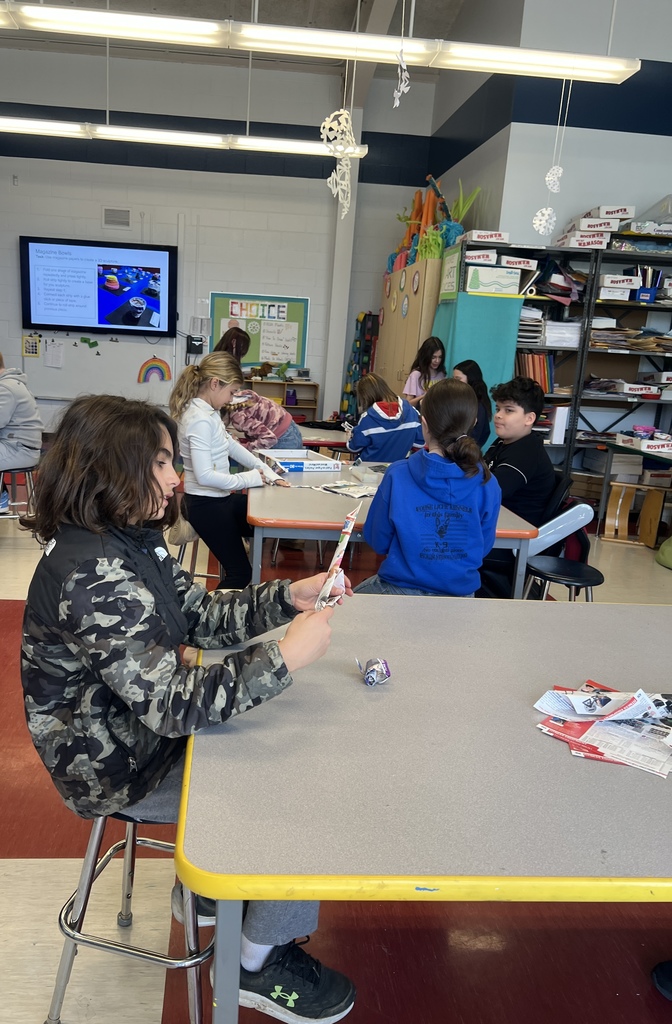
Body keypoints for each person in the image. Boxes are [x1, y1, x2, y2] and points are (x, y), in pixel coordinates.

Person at [20, 394, 356, 1024]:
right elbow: (173, 707)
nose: (178, 478)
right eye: (163, 463)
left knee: (283, 736)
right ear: (113, 471)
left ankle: (203, 894)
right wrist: (283, 659)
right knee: (309, 789)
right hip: (117, 764)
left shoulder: (131, 538)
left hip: (138, 733)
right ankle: (254, 963)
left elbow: (197, 618)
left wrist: (290, 597)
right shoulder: (89, 572)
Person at [354, 378, 501, 597]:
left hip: (398, 591)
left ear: (424, 424)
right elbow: (483, 547)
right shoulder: (488, 482)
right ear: (474, 422)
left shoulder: (397, 474)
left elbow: (378, 541)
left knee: (334, 609)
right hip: (461, 598)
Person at [169, 352, 288, 591]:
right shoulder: (199, 420)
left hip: (218, 500)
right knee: (241, 573)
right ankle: (207, 619)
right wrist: (252, 478)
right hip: (204, 505)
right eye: (231, 392)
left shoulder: (208, 413)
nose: (232, 399)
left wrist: (268, 471)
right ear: (215, 384)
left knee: (268, 518)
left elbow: (231, 446)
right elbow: (205, 476)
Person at [478, 376, 556, 598]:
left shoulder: (525, 453)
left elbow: (490, 491)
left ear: (529, 418)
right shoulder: (503, 443)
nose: (499, 415)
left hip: (511, 542)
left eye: (509, 410)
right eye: (498, 408)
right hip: (497, 525)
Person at [345, 373, 424, 462]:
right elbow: (419, 443)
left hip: (367, 469)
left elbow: (353, 448)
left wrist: (350, 435)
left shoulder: (368, 418)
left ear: (365, 397)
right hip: (396, 469)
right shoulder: (412, 412)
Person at [0, 352, 43, 513]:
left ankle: (1, 498)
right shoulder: (10, 384)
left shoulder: (6, 388)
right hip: (16, 447)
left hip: (19, 450)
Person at [452, 359, 492, 448]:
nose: (454, 383)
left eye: (458, 379)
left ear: (470, 378)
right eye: (453, 379)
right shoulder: (463, 399)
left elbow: (477, 436)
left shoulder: (478, 405)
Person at [402, 336, 446, 409]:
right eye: (433, 357)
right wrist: (426, 395)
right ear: (426, 356)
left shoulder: (441, 374)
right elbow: (408, 404)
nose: (437, 361)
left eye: (440, 357)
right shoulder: (416, 375)